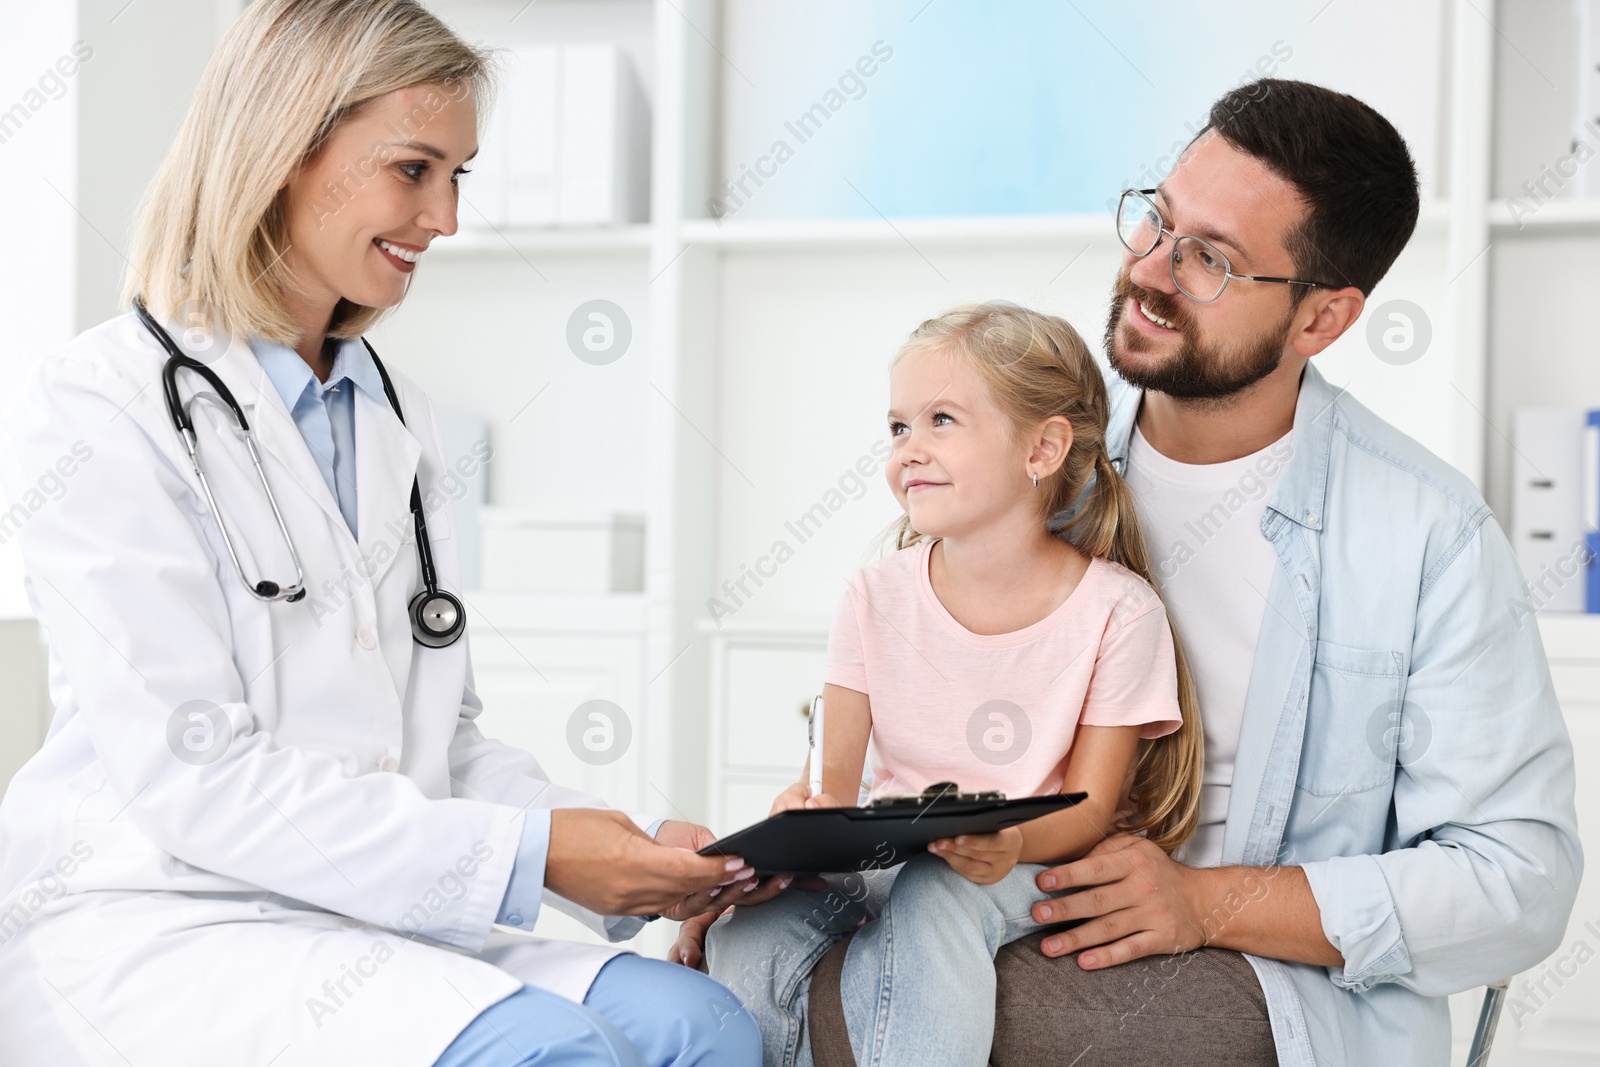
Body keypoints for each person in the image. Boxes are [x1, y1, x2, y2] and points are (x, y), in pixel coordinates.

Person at [688, 79, 1585, 1067]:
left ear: (1321, 319)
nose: (1150, 270)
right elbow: (922, 719)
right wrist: (811, 838)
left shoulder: (1427, 532)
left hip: (1254, 968)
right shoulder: (1036, 470)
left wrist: (1207, 898)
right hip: (986, 893)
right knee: (725, 970)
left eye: (1208, 258)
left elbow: (1515, 880)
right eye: (1156, 221)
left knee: (909, 1005)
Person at [0, 2, 775, 1064]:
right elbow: (194, 773)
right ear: (284, 148)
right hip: (167, 918)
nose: (445, 217)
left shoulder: (395, 413)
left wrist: (624, 844)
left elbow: (440, 744)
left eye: (458, 175)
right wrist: (537, 855)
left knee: (707, 1026)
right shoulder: (103, 403)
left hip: (364, 909)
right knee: (551, 1052)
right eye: (414, 169)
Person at [697, 302, 1206, 1067]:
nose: (910, 449)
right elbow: (828, 789)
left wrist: (1007, 842)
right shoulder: (873, 594)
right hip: (885, 856)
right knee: (753, 929)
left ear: (1042, 448)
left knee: (934, 894)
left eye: (942, 420)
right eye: (899, 426)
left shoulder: (1118, 612)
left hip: (1022, 861)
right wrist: (780, 841)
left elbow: (1092, 810)